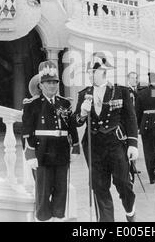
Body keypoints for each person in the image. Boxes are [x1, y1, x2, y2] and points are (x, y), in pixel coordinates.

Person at [74, 53, 138, 222]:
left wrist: (133, 144)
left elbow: (131, 119)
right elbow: (76, 122)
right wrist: (81, 113)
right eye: (88, 71)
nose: (89, 74)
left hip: (115, 144)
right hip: (94, 146)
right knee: (99, 187)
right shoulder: (83, 94)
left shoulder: (120, 91)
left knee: (123, 183)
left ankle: (130, 211)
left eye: (92, 71)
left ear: (103, 72)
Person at [22, 61, 80, 222]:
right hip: (42, 152)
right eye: (48, 82)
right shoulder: (32, 104)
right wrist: (30, 154)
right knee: (43, 190)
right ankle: (43, 218)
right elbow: (26, 131)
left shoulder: (65, 103)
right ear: (41, 85)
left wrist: (75, 147)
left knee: (61, 190)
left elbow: (72, 128)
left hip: (61, 151)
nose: (53, 85)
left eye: (55, 82)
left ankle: (58, 218)